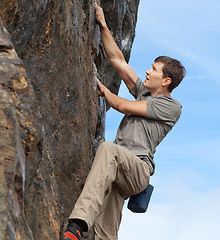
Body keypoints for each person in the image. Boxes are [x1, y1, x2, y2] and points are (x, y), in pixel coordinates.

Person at [61, 3, 186, 240]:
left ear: (166, 80)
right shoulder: (145, 93)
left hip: (137, 169)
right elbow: (118, 60)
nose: (148, 72)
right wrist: (103, 24)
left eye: (154, 69)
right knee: (105, 231)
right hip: (117, 169)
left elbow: (123, 106)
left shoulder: (171, 107)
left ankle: (76, 225)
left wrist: (104, 91)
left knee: (108, 149)